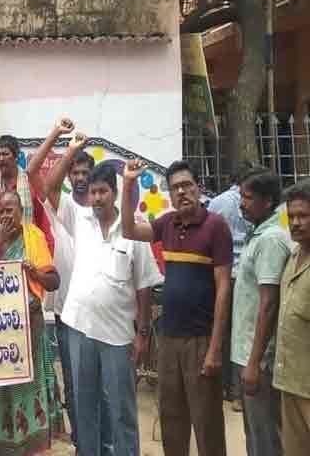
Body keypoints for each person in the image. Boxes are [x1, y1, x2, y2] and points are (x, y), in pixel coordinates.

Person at [46, 161, 163, 456]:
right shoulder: (79, 218)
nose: (97, 198)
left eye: (103, 192)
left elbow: (145, 287)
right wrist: (69, 146)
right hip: (79, 328)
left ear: (114, 193)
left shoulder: (133, 230)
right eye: (94, 192)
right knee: (85, 405)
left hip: (118, 335)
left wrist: (143, 334)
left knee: (122, 408)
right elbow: (48, 186)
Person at [122, 160, 231, 456]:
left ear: (198, 188)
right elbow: (129, 230)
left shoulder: (216, 226)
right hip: (168, 340)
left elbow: (223, 288)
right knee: (172, 420)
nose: (182, 192)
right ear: (170, 193)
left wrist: (215, 348)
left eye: (187, 185)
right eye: (176, 188)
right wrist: (129, 183)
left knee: (206, 421)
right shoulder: (167, 224)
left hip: (200, 340)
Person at [26, 118, 97, 448]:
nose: (80, 179)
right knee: (75, 387)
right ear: (69, 176)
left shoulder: (107, 211)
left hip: (104, 316)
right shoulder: (64, 209)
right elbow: (35, 171)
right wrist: (64, 142)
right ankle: (84, 445)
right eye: (76, 173)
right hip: (70, 315)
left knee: (104, 389)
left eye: (86, 174)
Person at [0, 191, 64, 455]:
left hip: (30, 328)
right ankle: (4, 446)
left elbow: (54, 281)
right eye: (2, 210)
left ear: (21, 211)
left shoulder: (34, 237)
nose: (7, 215)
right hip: (0, 334)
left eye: (11, 210)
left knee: (30, 388)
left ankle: (33, 445)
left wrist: (35, 273)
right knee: (4, 390)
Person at [230, 170, 289, 455]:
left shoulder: (271, 240)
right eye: (241, 195)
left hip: (259, 360)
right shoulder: (259, 234)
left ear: (267, 201)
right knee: (255, 435)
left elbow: (268, 304)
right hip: (248, 355)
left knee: (265, 438)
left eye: (248, 197)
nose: (241, 203)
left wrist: (254, 363)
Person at [208, 162, 255, 410]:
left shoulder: (217, 203)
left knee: (221, 330)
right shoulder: (253, 202)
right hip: (245, 274)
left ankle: (223, 386)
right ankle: (238, 394)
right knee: (241, 330)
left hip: (221, 273)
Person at [275, 180, 310, 453]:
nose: (296, 223)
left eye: (303, 216)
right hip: (290, 382)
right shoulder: (294, 254)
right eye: (292, 216)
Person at [0, 135, 54, 255]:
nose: (1, 158)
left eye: (5, 154)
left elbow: (41, 218)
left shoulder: (30, 181)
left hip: (30, 247)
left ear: (16, 156)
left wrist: (48, 249)